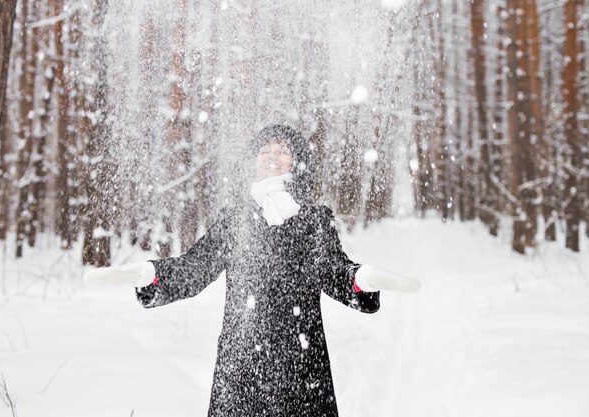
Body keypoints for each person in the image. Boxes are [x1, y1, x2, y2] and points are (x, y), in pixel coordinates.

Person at [84, 124, 420, 417]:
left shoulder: (313, 219)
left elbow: (331, 269)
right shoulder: (235, 219)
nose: (272, 156)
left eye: (282, 150)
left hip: (300, 367)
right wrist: (151, 276)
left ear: (297, 162)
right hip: (241, 366)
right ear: (253, 162)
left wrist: (360, 281)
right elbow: (195, 267)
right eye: (264, 150)